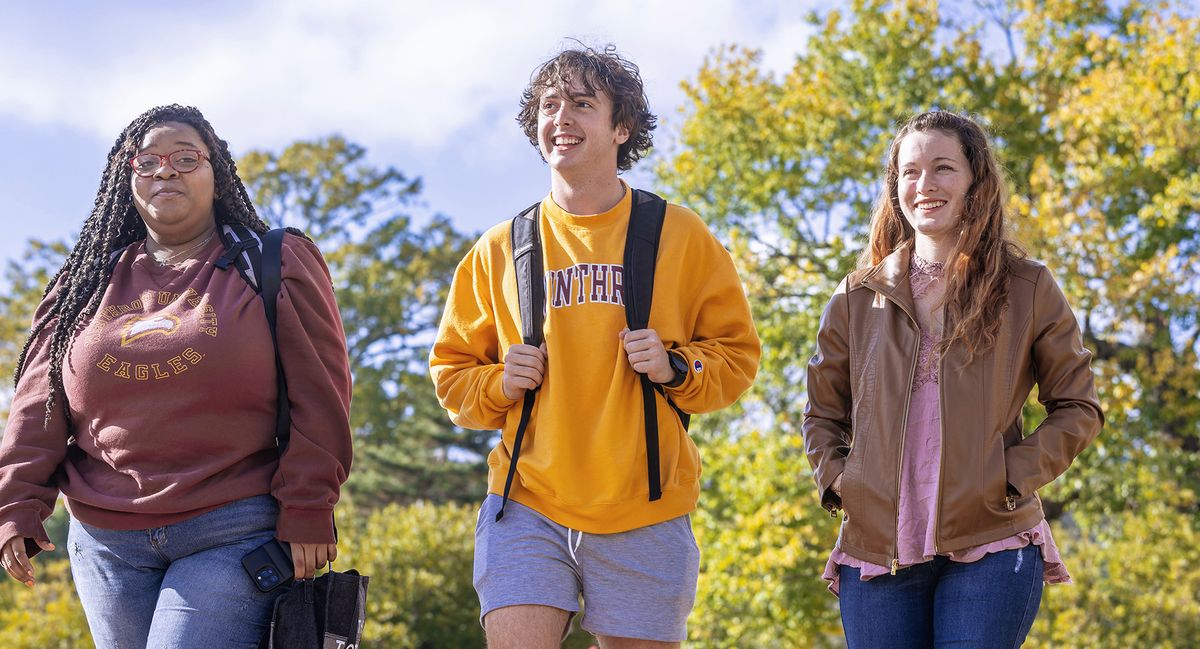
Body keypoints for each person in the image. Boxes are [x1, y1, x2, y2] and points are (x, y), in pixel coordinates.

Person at [429, 45, 760, 648]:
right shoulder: (498, 249)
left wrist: (677, 365)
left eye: (583, 104)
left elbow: (737, 357)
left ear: (622, 126)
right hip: (525, 503)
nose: (562, 119)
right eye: (550, 106)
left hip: (646, 506)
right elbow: (453, 377)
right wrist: (500, 382)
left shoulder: (679, 234)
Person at [0, 104, 353, 649]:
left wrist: (309, 505)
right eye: (148, 162)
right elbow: (38, 404)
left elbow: (320, 393)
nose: (166, 170)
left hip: (232, 527)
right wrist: (17, 503)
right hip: (105, 541)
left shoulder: (273, 261)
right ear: (127, 179)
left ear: (218, 174)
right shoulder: (83, 283)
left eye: (187, 158)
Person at [803, 110, 1103, 647]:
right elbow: (822, 414)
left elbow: (1078, 405)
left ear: (974, 182)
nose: (925, 185)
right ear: (895, 187)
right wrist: (842, 483)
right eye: (910, 172)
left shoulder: (1026, 286)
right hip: (877, 552)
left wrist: (1008, 476)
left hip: (992, 541)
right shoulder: (854, 297)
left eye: (943, 168)